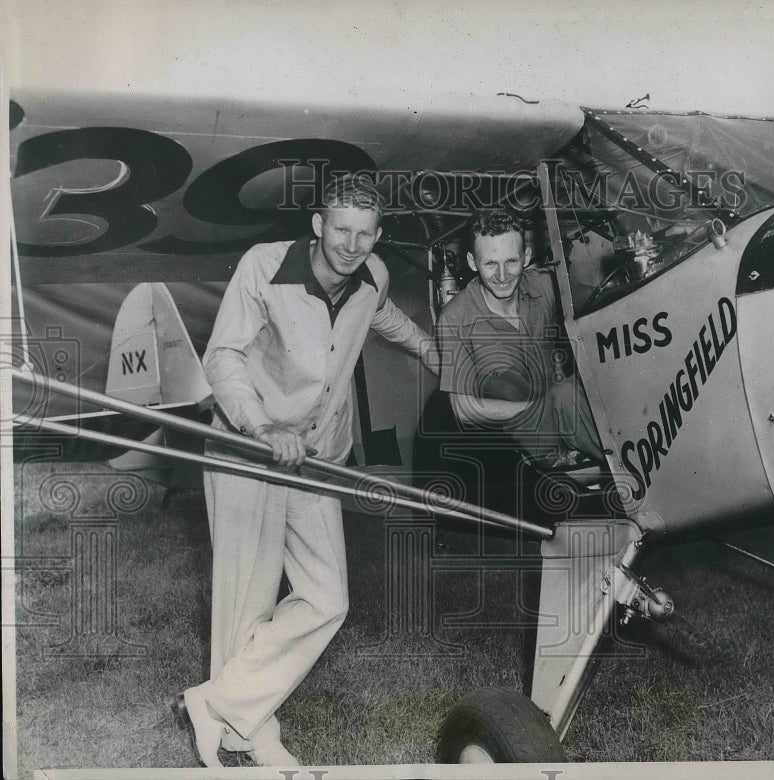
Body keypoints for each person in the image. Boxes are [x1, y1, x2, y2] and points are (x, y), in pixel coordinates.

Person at [172, 176, 437, 767]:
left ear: (378, 235)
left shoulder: (373, 275)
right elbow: (223, 355)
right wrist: (262, 427)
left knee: (326, 598)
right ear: (318, 224)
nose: (350, 244)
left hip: (318, 456)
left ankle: (217, 705)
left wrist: (428, 348)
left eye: (364, 233)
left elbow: (383, 315)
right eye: (340, 228)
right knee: (249, 599)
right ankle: (249, 732)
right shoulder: (263, 268)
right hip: (249, 448)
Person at [436, 208, 603, 465]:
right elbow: (464, 410)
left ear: (525, 257)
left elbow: (604, 305)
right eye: (490, 264)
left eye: (511, 262)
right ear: (472, 262)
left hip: (572, 413)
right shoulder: (454, 318)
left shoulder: (547, 284)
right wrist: (542, 406)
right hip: (526, 437)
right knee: (564, 395)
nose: (502, 277)